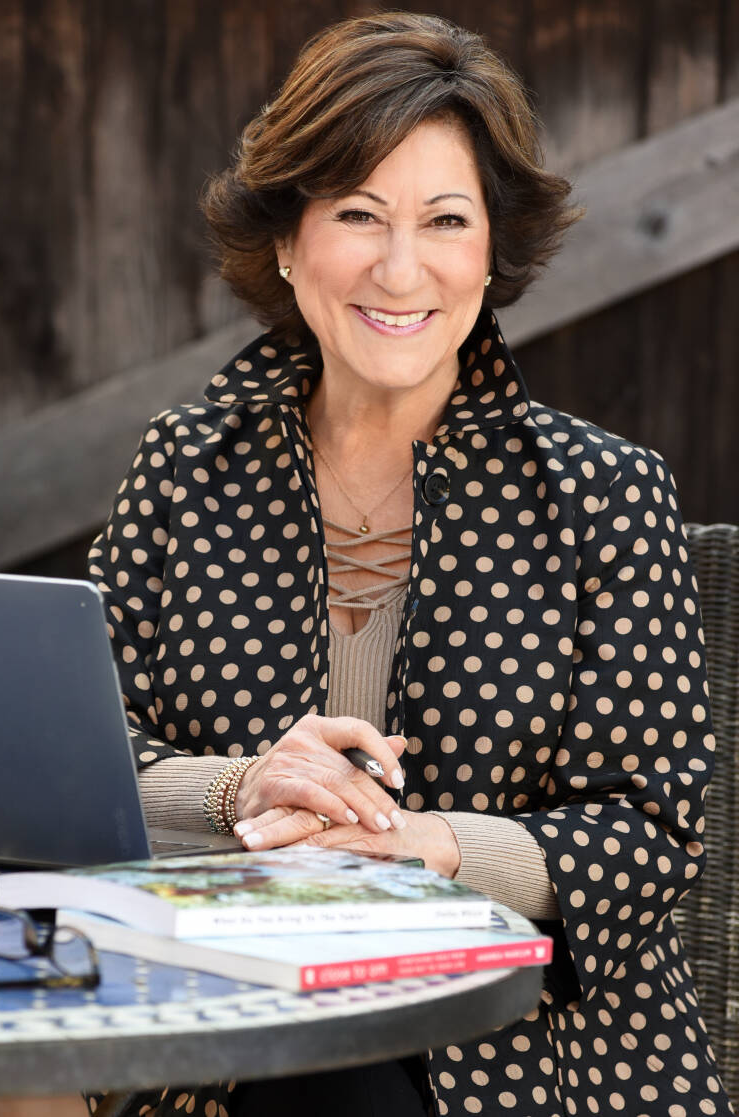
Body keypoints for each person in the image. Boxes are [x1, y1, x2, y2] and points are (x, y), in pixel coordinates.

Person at [86, 12, 733, 1117]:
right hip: (213, 1025)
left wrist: (413, 849)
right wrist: (244, 785)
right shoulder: (183, 466)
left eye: (443, 218)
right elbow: (82, 759)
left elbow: (651, 832)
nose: (399, 267)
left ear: (490, 248)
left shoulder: (604, 494)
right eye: (356, 214)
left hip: (522, 1050)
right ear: (287, 242)